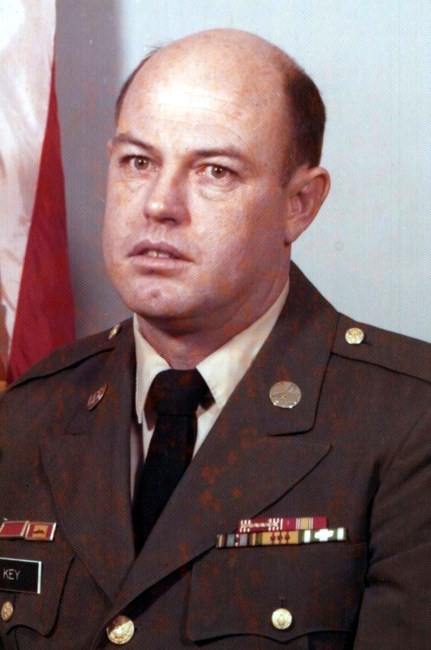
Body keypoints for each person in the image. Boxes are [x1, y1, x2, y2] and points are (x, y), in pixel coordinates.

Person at [0, 28, 430, 649]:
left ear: (299, 204)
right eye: (138, 162)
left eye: (215, 171)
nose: (159, 204)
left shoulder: (407, 423)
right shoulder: (27, 415)